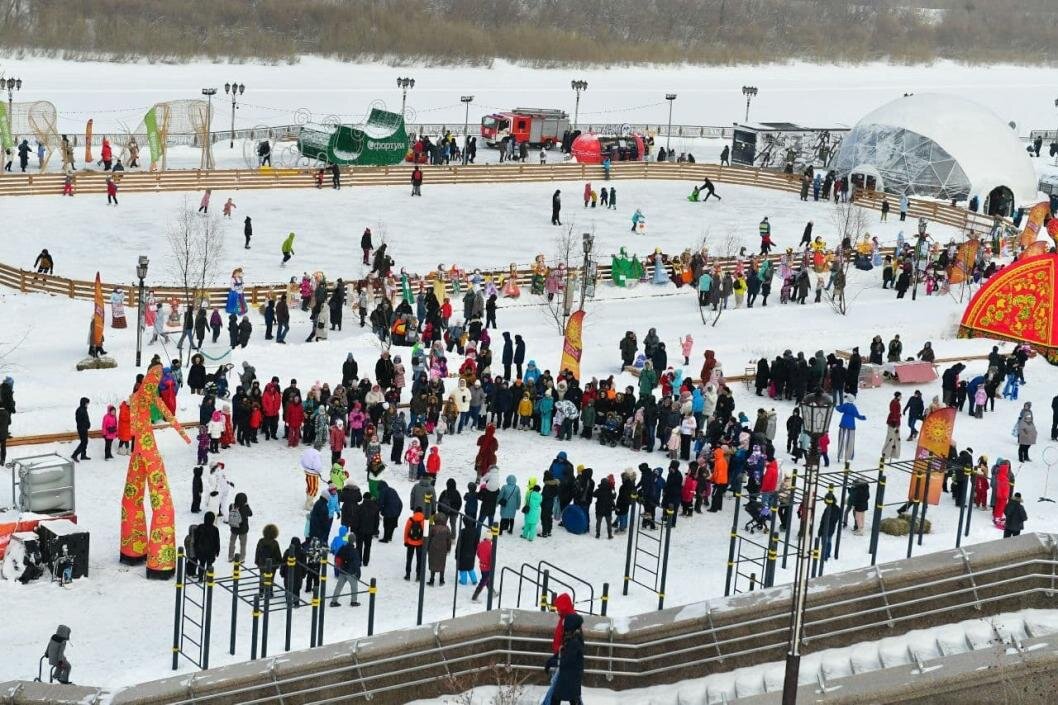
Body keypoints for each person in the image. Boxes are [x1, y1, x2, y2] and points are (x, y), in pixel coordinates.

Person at [427, 517, 453, 585]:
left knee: (433, 563)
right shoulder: (447, 528)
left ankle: (432, 579)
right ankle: (441, 580)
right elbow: (449, 540)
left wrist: (427, 548)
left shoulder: (433, 528)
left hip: (433, 548)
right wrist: (448, 548)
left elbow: (429, 538)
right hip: (443, 548)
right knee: (442, 563)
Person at [403, 507, 426, 580]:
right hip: (420, 543)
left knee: (409, 559)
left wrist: (406, 541)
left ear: (415, 512)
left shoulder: (410, 519)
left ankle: (408, 575)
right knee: (419, 560)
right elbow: (426, 533)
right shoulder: (424, 520)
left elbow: (406, 531)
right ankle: (418, 576)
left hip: (410, 542)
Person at [471, 533, 494, 601]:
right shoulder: (490, 546)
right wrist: (491, 566)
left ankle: (492, 592)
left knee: (486, 579)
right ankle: (475, 596)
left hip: (481, 565)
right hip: (487, 567)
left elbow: (478, 553)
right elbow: (491, 559)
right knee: (484, 580)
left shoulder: (480, 544)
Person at [71, 397, 91, 462]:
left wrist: (88, 424)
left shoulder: (84, 409)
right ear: (84, 403)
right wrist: (85, 426)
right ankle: (74, 454)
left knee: (85, 442)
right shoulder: (80, 410)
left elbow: (86, 419)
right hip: (81, 429)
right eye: (87, 403)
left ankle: (83, 455)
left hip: (84, 428)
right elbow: (79, 421)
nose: (88, 404)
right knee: (84, 442)